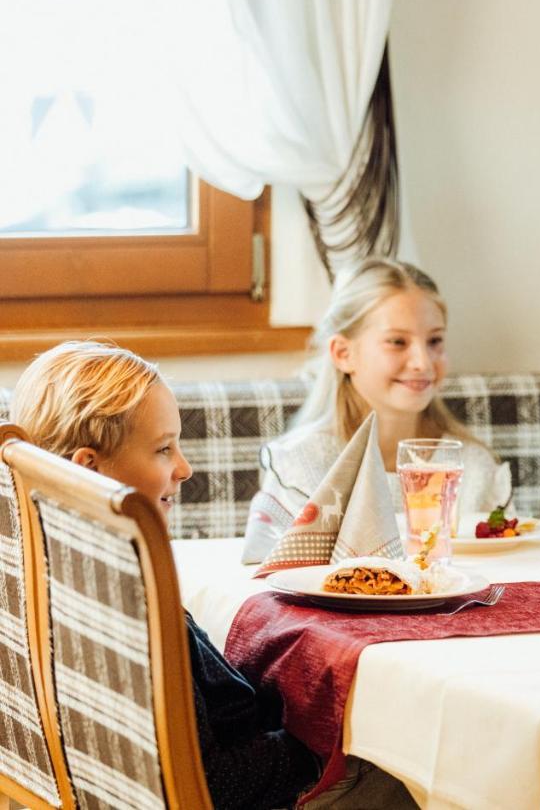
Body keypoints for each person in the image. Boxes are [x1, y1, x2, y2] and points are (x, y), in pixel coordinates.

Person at [9, 341, 320, 809]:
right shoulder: (130, 614)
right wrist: (324, 743)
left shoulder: (35, 585)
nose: (184, 467)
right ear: (90, 470)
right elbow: (208, 783)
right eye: (163, 449)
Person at [245, 258, 510, 557]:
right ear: (343, 353)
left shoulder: (471, 467)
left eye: (435, 341)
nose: (422, 362)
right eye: (398, 342)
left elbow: (509, 569)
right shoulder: (302, 466)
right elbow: (273, 579)